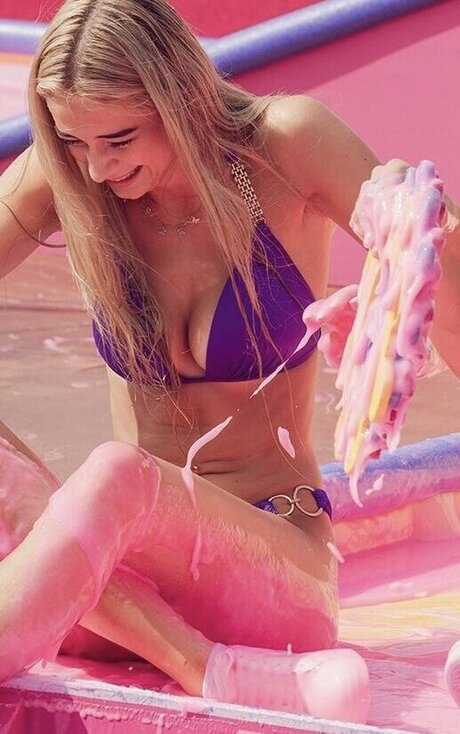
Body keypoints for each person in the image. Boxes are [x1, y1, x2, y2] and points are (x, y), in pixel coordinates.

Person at [0, 0, 459, 721]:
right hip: (118, 587)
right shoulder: (69, 175)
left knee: (117, 473)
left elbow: (439, 262)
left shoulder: (285, 145)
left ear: (181, 95)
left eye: (119, 139)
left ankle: (199, 656)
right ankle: (205, 667)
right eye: (74, 142)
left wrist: (415, 257)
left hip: (271, 577)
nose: (97, 167)